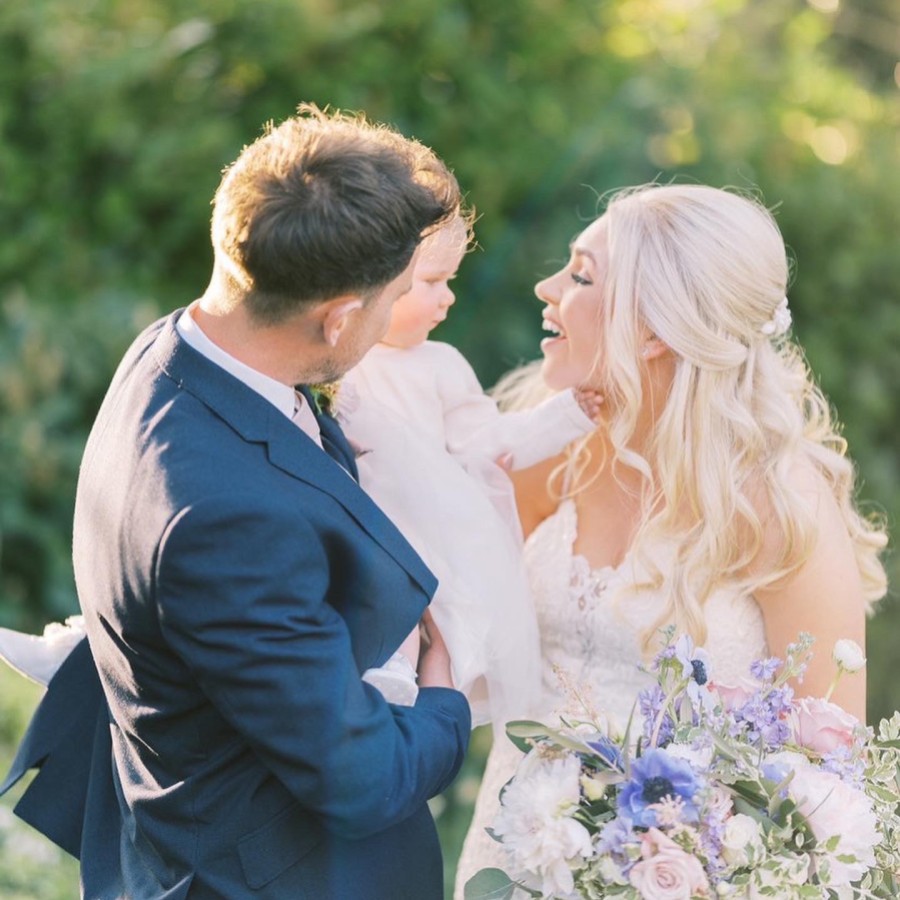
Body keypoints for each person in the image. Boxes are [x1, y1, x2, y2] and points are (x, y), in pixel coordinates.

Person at [1, 103, 473, 900]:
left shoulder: (173, 350)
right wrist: (445, 699)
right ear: (340, 317)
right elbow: (361, 777)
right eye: (395, 298)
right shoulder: (227, 522)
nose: (398, 317)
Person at [453, 183, 888, 897]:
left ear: (653, 331)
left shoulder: (779, 502)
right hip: (509, 859)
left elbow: (827, 781)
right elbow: (450, 626)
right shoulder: (547, 443)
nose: (547, 287)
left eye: (581, 276)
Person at [340, 212, 602, 729]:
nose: (448, 298)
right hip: (354, 522)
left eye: (451, 283)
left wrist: (565, 414)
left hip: (421, 523)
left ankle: (404, 689)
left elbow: (488, 439)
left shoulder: (440, 364)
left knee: (430, 601)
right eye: (433, 282)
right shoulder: (337, 360)